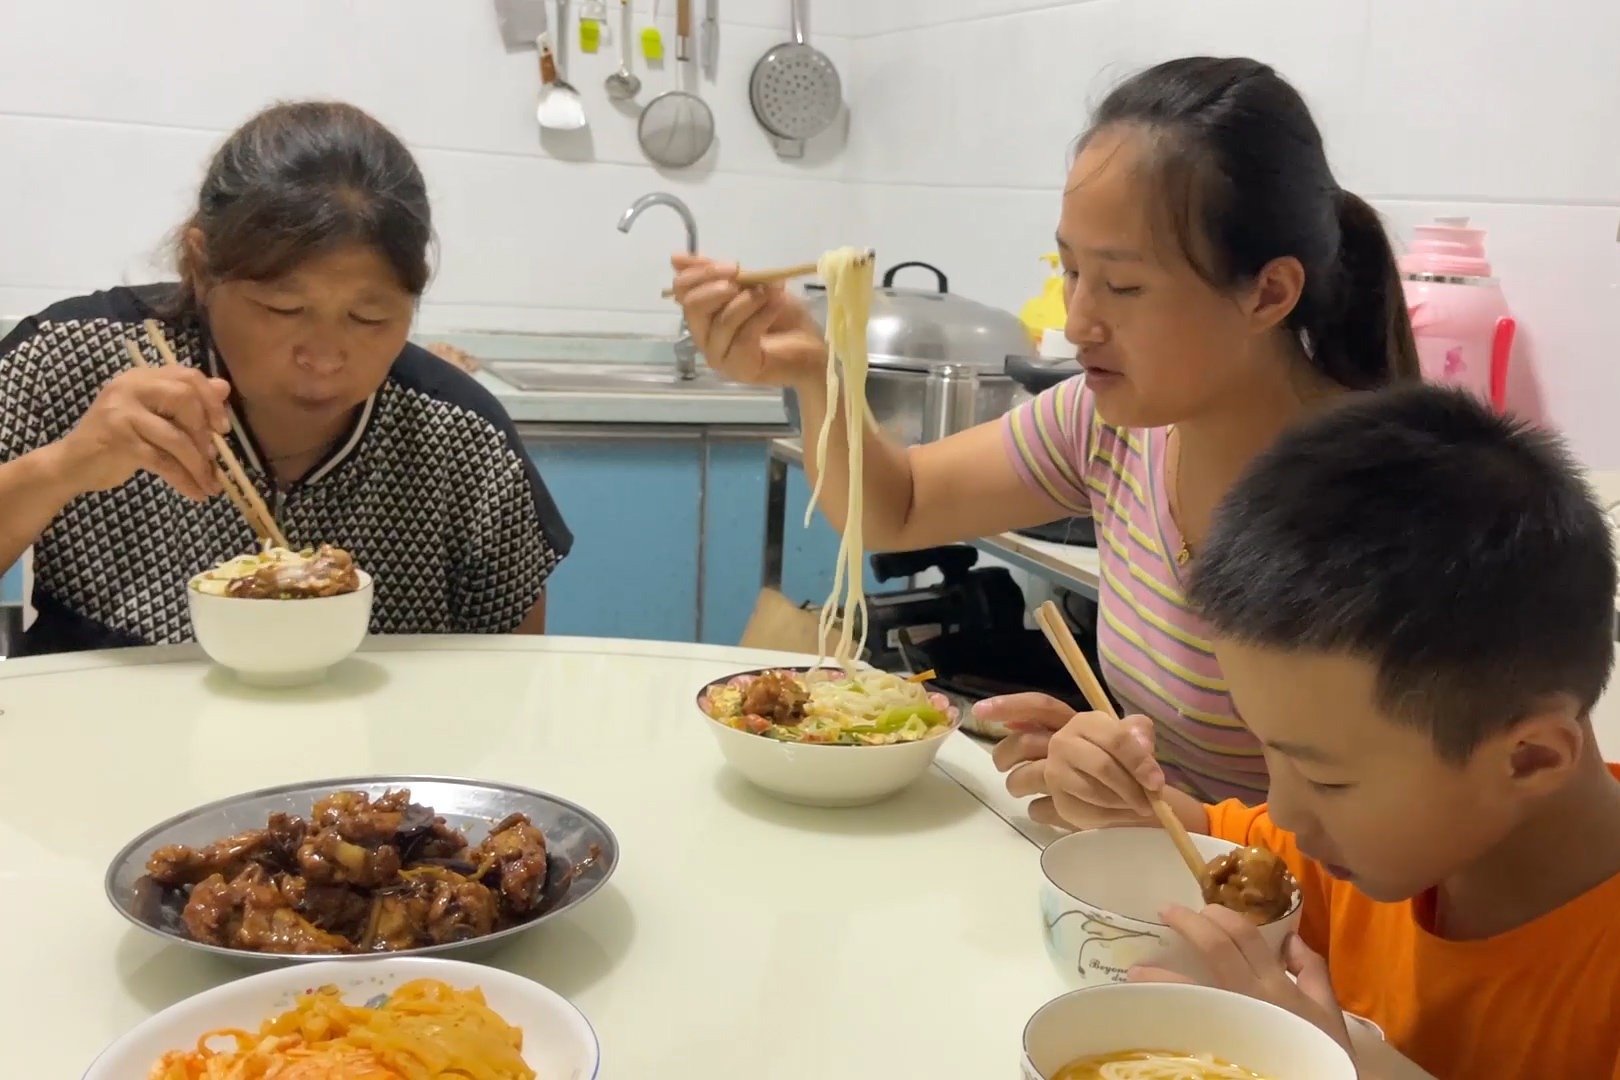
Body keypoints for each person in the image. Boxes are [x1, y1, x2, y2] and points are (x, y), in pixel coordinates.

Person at [669, 56, 1419, 810]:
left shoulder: (1380, 512)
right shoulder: (1110, 427)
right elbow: (895, 509)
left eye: (1123, 285)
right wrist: (815, 372)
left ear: (1269, 292)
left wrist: (1165, 816)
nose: (1077, 322)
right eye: (1069, 271)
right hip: (1155, 889)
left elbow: (1401, 843)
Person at [1056, 385, 1620, 1078]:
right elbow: (1194, 833)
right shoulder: (1349, 854)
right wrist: (1114, 788)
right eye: (1269, 750)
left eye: (1325, 776)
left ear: (1529, 758)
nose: (1286, 809)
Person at [0, 101, 572, 654]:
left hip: (368, 747)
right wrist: (62, 468)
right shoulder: (68, 359)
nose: (325, 356)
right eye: (283, 309)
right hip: (102, 739)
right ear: (201, 267)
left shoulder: (461, 438)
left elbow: (512, 678)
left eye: (369, 317)